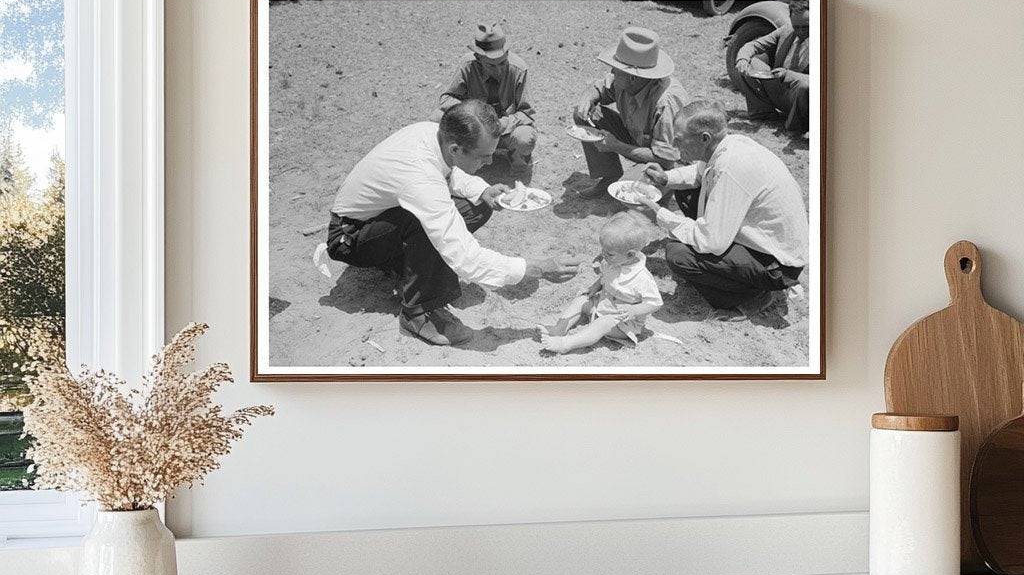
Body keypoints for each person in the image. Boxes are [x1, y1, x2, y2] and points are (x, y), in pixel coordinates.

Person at [328, 100, 578, 346]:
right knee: (426, 223)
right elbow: (465, 258)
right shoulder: (419, 175)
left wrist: (482, 189)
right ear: (456, 149)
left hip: (382, 220)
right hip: (349, 237)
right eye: (484, 156)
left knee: (476, 204)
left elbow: (448, 171)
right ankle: (416, 314)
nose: (490, 163)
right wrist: (533, 268)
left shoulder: (434, 134)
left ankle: (407, 267)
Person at [639, 99, 808, 312]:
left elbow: (711, 241)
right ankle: (734, 277)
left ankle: (750, 296)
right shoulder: (727, 145)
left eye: (679, 140)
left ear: (704, 138)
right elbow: (700, 173)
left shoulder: (732, 167)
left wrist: (662, 215)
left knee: (678, 254)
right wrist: (665, 178)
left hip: (777, 264)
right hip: (764, 243)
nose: (674, 145)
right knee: (687, 194)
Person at [571, 26, 689, 198]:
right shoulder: (627, 82)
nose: (612, 72)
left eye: (617, 70)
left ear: (634, 77)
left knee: (628, 195)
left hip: (665, 163)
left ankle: (663, 191)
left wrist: (616, 145)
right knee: (588, 114)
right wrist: (587, 97)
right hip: (640, 141)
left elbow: (665, 159)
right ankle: (609, 177)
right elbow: (599, 87)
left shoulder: (666, 102)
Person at [539, 211, 662, 354]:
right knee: (582, 300)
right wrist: (594, 287)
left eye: (609, 253)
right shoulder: (614, 261)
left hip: (621, 322)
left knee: (603, 323)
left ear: (630, 254)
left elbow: (655, 303)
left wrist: (634, 310)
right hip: (603, 304)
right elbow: (605, 277)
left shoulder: (642, 278)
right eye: (603, 250)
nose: (603, 255)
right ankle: (558, 329)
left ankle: (566, 344)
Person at [432, 22, 536, 177]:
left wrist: (499, 124)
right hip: (473, 131)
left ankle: (517, 162)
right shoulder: (467, 65)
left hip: (503, 129)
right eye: (492, 66)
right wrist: (473, 114)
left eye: (502, 62)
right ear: (478, 58)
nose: (499, 69)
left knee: (525, 137)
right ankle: (450, 163)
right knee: (436, 118)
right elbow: (446, 99)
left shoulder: (519, 68)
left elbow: (527, 114)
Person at [733, 0, 811, 132]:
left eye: (806, 27)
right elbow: (753, 45)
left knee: (805, 86)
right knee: (752, 63)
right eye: (796, 27)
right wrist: (742, 60)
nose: (801, 31)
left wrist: (787, 74)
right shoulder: (786, 31)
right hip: (782, 91)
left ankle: (795, 127)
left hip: (804, 100)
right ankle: (763, 114)